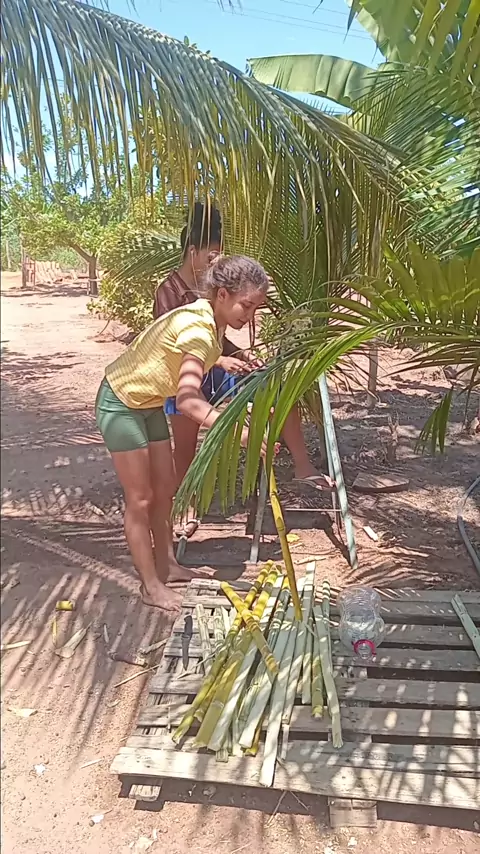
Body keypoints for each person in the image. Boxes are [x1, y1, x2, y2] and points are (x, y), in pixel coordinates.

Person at [95, 255, 270, 615]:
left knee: (165, 490)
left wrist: (220, 361)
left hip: (148, 403)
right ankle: (151, 586)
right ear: (222, 294)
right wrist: (234, 430)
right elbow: (188, 400)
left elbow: (184, 351)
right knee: (141, 499)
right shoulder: (199, 329)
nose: (250, 316)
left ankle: (168, 566)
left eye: (256, 308)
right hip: (120, 402)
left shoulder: (208, 319)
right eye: (246, 305)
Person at [154, 203, 335, 492]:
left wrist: (241, 355)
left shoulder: (214, 288)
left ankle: (302, 466)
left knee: (277, 386)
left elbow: (217, 339)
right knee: (185, 446)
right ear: (193, 252)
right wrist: (219, 361)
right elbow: (172, 347)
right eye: (211, 256)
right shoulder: (168, 292)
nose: (216, 262)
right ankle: (184, 498)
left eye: (219, 256)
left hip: (215, 369)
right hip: (184, 377)